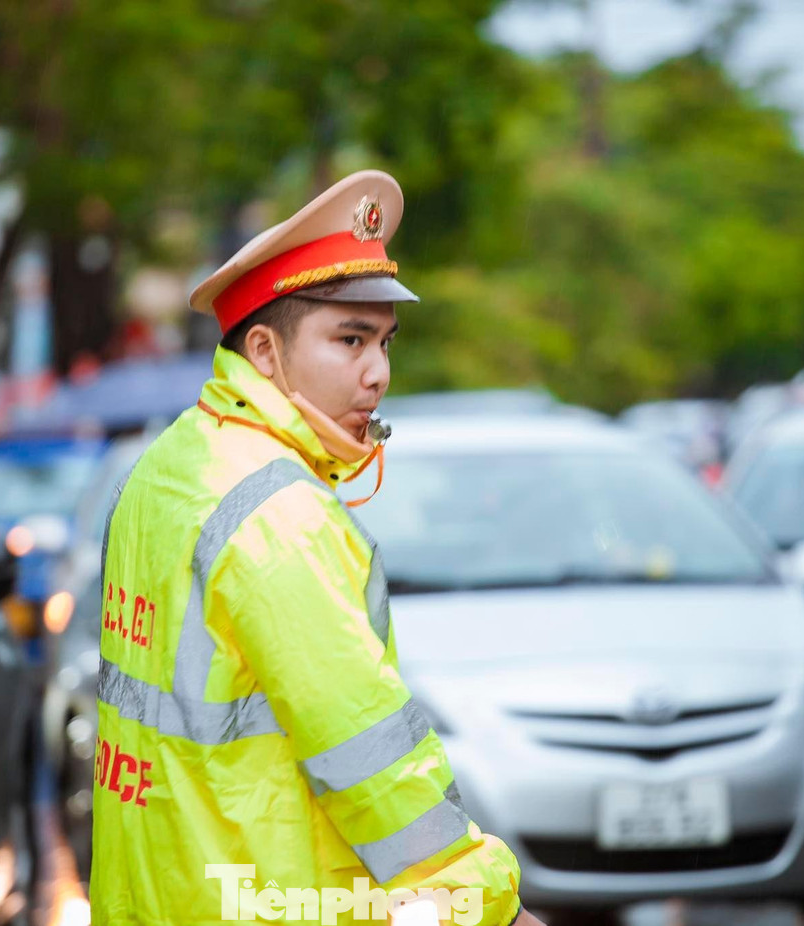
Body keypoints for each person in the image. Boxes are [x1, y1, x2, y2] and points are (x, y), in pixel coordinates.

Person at [90, 170, 542, 926]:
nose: (379, 373)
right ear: (264, 351)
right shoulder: (279, 515)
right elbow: (372, 765)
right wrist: (488, 905)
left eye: (385, 342)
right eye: (351, 340)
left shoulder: (164, 468)